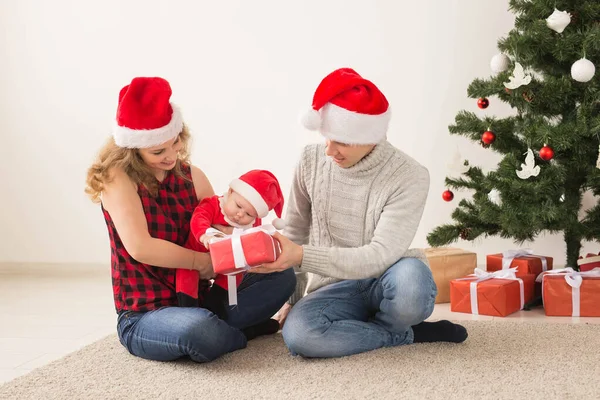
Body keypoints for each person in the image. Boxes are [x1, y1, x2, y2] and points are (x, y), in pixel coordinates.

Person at [251, 68, 468, 358]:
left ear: (372, 136)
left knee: (411, 289)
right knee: (301, 336)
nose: (330, 151)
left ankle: (382, 327)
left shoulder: (410, 175)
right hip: (334, 287)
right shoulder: (310, 160)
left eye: (341, 141)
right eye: (326, 138)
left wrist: (302, 255)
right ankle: (405, 335)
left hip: (390, 274)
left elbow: (379, 255)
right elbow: (294, 232)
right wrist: (290, 297)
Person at [84, 76, 296, 362]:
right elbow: (141, 247)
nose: (171, 156)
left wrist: (249, 234)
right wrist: (201, 263)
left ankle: (222, 329)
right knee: (195, 330)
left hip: (203, 301)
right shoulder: (117, 180)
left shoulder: (191, 176)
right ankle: (241, 332)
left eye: (175, 143)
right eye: (158, 151)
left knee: (282, 277)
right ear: (131, 149)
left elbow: (221, 227)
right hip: (145, 314)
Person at [178, 169, 286, 322]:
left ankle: (217, 303)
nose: (241, 215)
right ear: (230, 191)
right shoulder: (214, 204)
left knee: (235, 274)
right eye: (238, 206)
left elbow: (254, 237)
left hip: (228, 259)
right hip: (196, 254)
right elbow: (199, 218)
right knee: (186, 275)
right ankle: (188, 310)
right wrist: (205, 234)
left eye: (249, 214)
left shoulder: (252, 222)